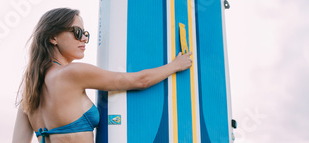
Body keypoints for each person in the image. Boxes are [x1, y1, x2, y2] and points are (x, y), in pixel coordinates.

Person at [12, 8, 192, 143]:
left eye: (86, 34)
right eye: (77, 32)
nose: (83, 39)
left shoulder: (29, 91)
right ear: (53, 38)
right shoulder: (73, 73)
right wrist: (175, 65)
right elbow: (139, 81)